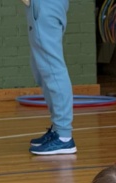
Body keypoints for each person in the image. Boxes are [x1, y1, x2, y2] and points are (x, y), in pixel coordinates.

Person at [22, 0, 77, 155]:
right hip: (42, 6)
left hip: (45, 6)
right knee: (41, 68)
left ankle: (64, 136)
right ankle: (58, 129)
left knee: (52, 69)